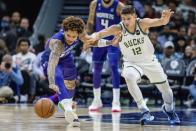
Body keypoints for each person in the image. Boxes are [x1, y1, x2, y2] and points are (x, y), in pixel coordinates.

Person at [88, 5, 180, 124]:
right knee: (129, 76)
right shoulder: (117, 28)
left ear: (135, 16)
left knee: (167, 91)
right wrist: (91, 37)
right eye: (123, 18)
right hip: (131, 63)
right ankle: (144, 111)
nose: (126, 21)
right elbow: (100, 34)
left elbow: (161, 22)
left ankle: (169, 110)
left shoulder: (142, 23)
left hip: (149, 61)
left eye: (129, 18)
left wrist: (165, 18)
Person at [41, 16, 93, 127]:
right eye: (68, 35)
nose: (70, 38)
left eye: (74, 36)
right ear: (64, 31)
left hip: (66, 57)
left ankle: (64, 105)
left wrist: (109, 42)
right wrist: (51, 82)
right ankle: (68, 109)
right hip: (50, 60)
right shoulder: (58, 42)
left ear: (78, 34)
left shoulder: (80, 34)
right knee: (58, 77)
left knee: (71, 84)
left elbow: (93, 41)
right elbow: (52, 64)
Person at [87, 0, 124, 112]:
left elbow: (124, 25)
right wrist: (87, 39)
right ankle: (97, 100)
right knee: (96, 69)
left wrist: (120, 39)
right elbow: (90, 23)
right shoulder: (94, 4)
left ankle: (116, 102)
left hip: (113, 41)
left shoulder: (119, 6)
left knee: (113, 66)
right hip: (99, 40)